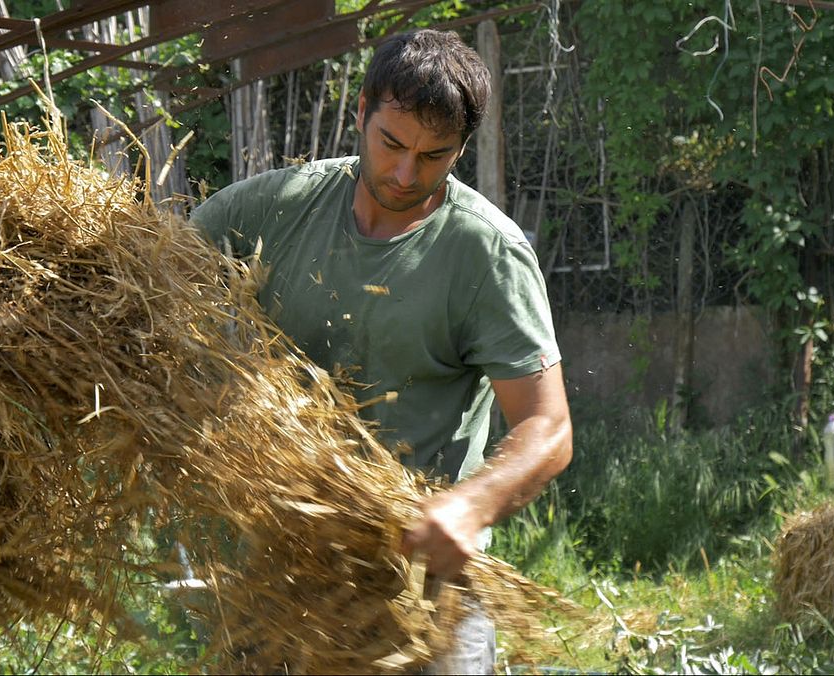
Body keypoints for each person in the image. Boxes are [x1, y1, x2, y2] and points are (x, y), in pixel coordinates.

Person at [189, 28, 572, 674]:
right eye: (391, 144)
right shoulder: (275, 210)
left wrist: (471, 503)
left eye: (432, 156)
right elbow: (151, 265)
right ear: (361, 112)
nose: (404, 173)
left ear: (460, 149)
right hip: (276, 575)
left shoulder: (486, 256)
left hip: (419, 589)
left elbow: (549, 427)